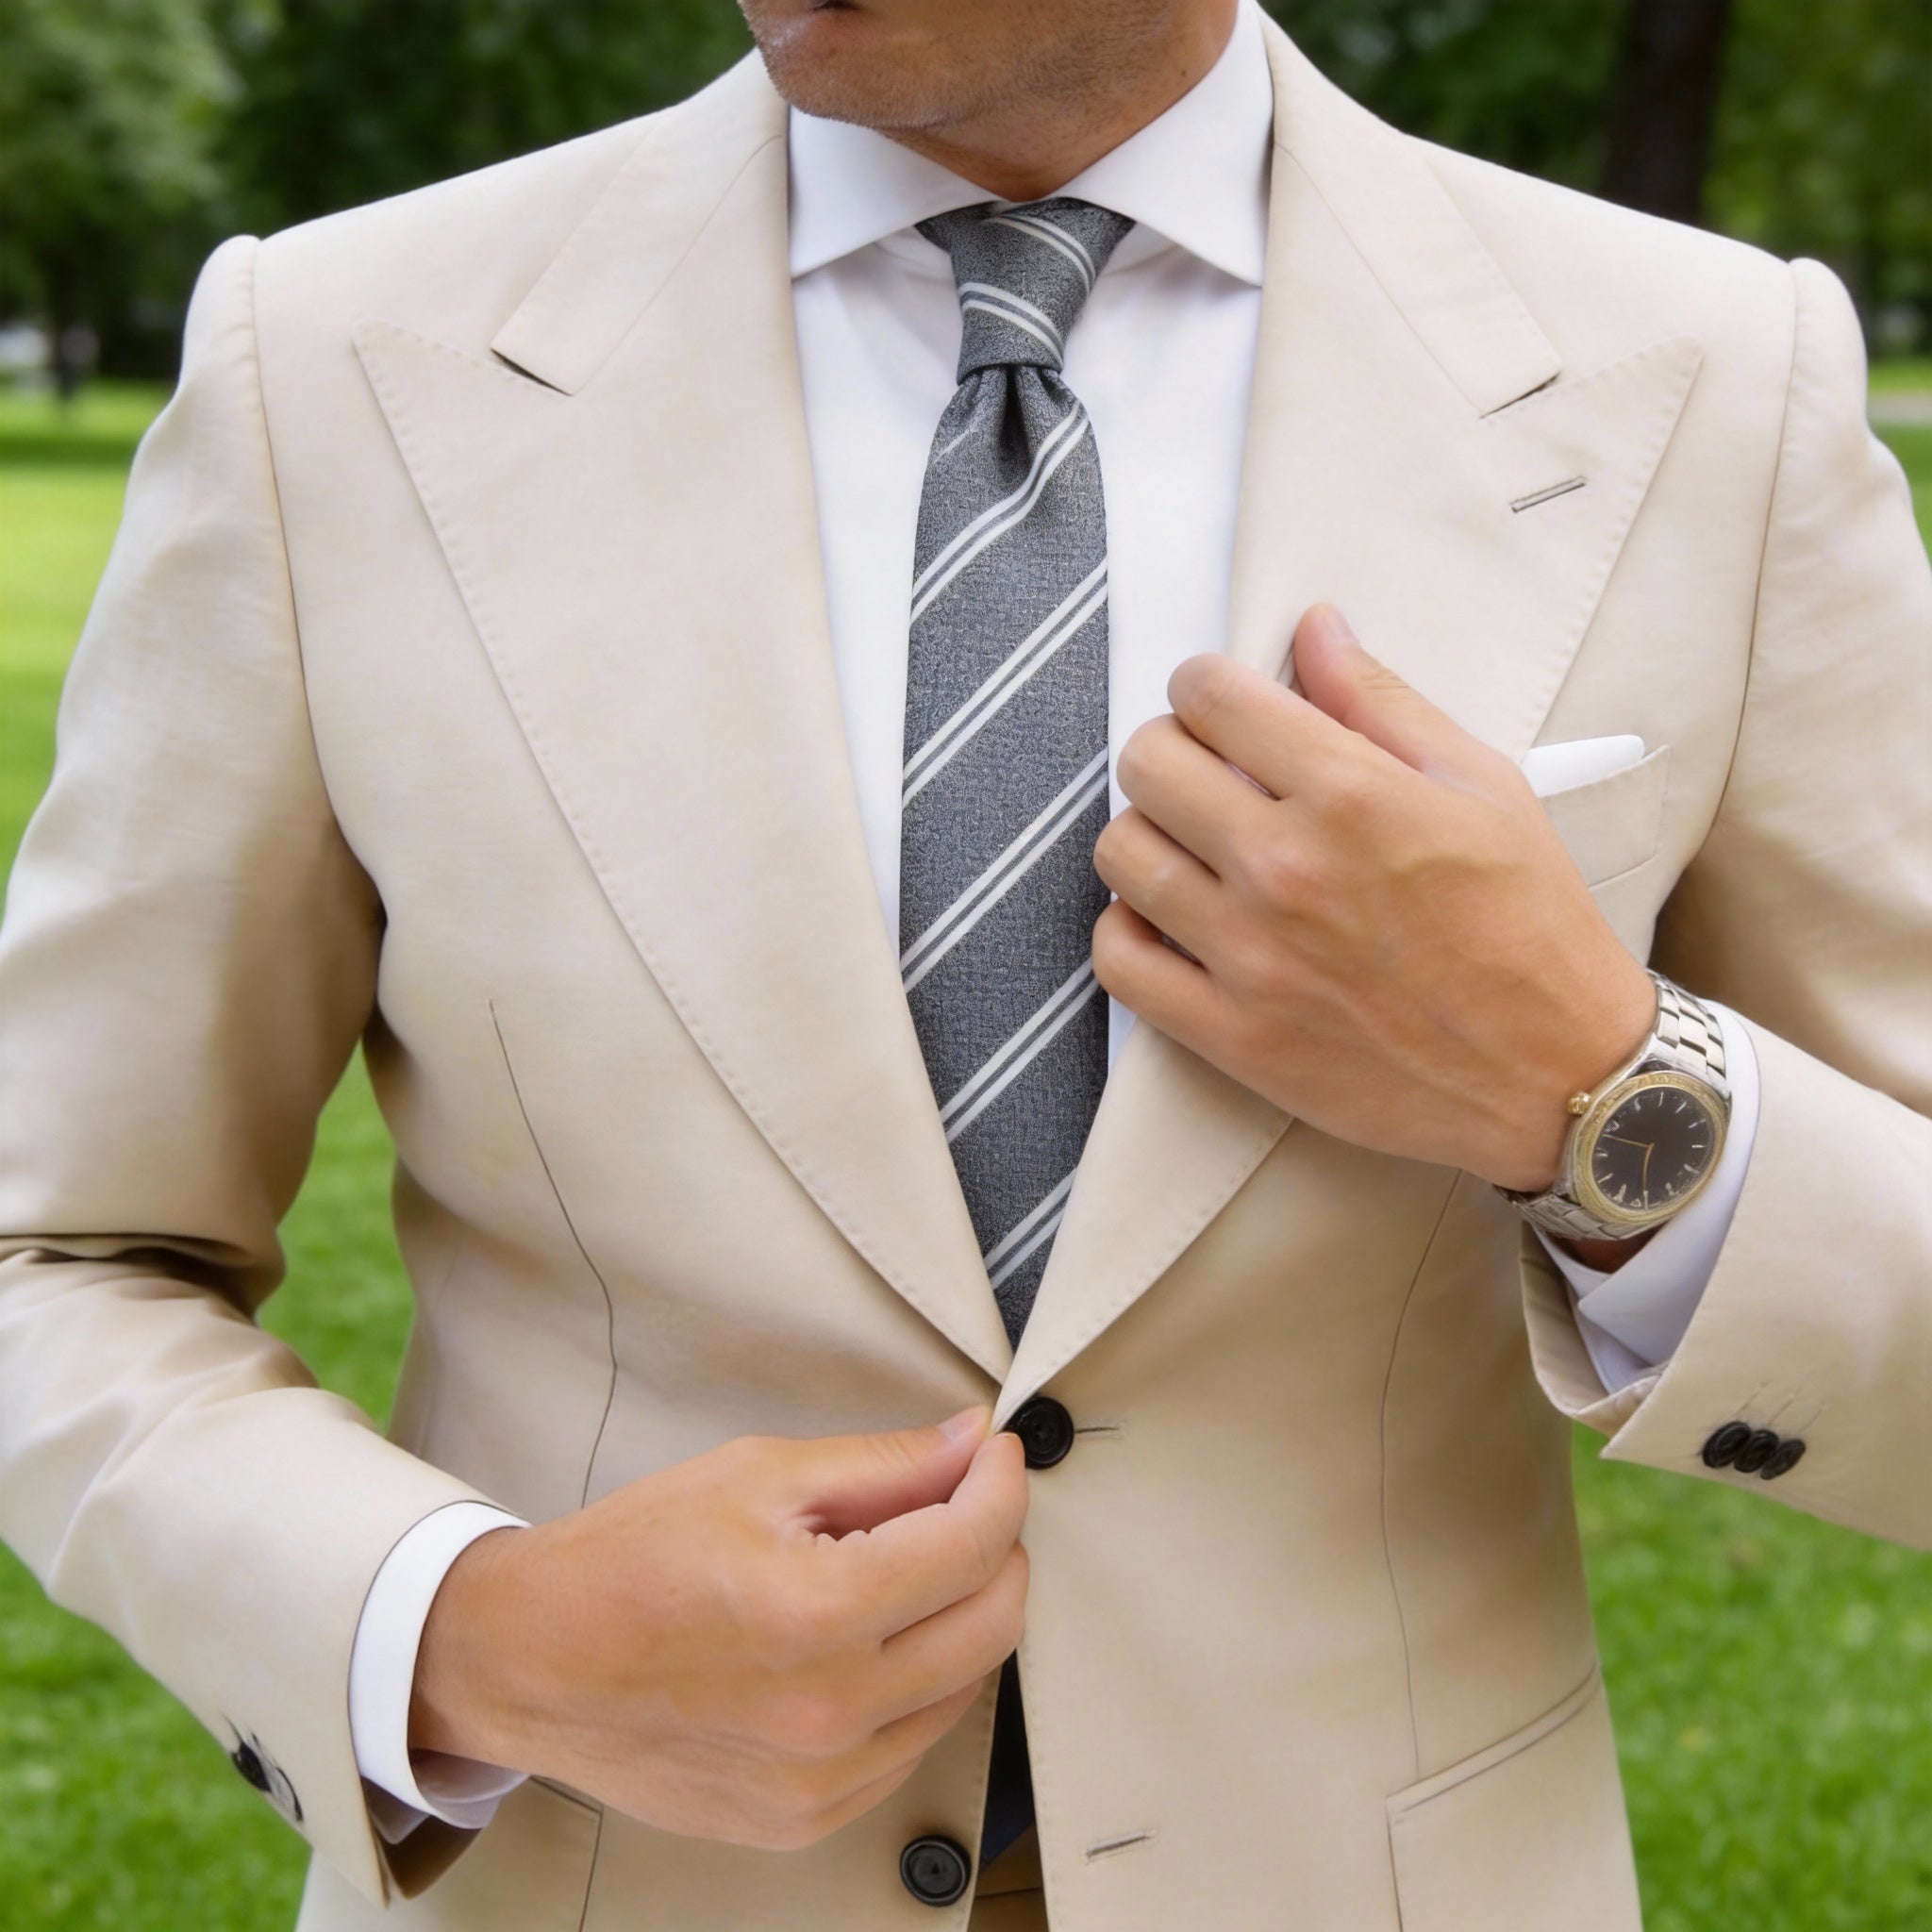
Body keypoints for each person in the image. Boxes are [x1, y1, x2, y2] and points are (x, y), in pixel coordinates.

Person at [2, 0, 1928, 1924]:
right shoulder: (328, 366)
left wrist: (1599, 1090)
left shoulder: (1710, 380)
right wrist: (466, 1635)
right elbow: (54, 1249)